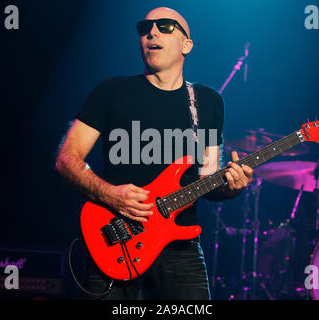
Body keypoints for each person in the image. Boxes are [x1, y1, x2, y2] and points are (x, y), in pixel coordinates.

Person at [55, 7, 253, 300]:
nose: (152, 32)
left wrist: (232, 187)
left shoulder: (208, 102)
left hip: (180, 246)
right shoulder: (111, 92)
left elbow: (209, 180)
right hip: (116, 239)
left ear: (187, 45)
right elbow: (67, 159)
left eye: (165, 26)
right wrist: (109, 194)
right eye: (145, 27)